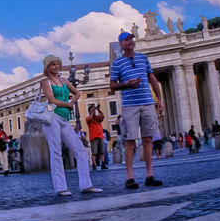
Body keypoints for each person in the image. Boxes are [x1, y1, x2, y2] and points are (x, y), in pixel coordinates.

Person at [109, 32, 165, 189]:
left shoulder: (143, 58)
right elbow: (112, 85)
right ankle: (130, 177)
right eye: (126, 40)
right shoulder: (117, 63)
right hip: (130, 106)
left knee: (148, 140)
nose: (130, 41)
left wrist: (159, 99)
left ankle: (149, 175)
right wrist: (126, 84)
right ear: (121, 44)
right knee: (130, 141)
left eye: (131, 39)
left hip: (147, 103)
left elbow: (152, 79)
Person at [41, 54, 101, 196]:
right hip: (52, 118)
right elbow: (51, 100)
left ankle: (86, 185)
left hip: (64, 119)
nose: (56, 66)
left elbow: (77, 92)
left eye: (58, 63)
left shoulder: (64, 81)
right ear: (47, 67)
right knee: (56, 152)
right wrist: (67, 104)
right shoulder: (45, 82)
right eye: (53, 64)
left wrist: (73, 101)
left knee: (80, 150)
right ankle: (60, 187)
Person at [87, 104, 108, 170]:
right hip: (93, 137)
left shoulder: (97, 118)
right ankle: (94, 164)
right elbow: (89, 118)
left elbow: (103, 116)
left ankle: (103, 164)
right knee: (94, 152)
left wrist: (98, 110)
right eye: (92, 110)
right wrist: (92, 112)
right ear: (89, 112)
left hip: (100, 136)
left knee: (102, 151)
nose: (94, 111)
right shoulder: (88, 118)